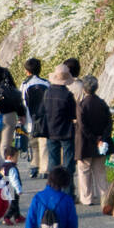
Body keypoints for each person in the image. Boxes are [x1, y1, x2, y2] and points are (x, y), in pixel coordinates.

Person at [75, 74, 112, 206]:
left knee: (84, 171)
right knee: (100, 171)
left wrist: (94, 139)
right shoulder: (102, 103)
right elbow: (109, 123)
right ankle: (104, 198)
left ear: (84, 89)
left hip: (85, 143)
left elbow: (82, 126)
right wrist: (101, 139)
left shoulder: (82, 105)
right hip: (101, 143)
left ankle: (87, 198)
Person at [43, 64, 77, 192]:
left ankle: (53, 189)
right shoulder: (67, 95)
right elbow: (73, 114)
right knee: (68, 163)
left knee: (53, 161)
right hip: (66, 131)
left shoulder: (47, 92)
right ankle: (68, 192)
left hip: (51, 131)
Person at [21, 58, 49, 179]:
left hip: (30, 119)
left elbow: (21, 102)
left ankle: (34, 166)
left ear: (27, 71)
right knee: (44, 144)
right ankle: (45, 169)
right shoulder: (46, 83)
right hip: (44, 119)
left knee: (33, 144)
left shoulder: (25, 84)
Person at [0, 144, 24, 225]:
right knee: (13, 204)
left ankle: (17, 216)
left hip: (4, 187)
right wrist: (18, 189)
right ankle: (7, 217)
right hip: (11, 188)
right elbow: (14, 180)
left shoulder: (2, 166)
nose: (17, 159)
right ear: (10, 157)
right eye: (16, 157)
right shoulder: (12, 168)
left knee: (15, 203)